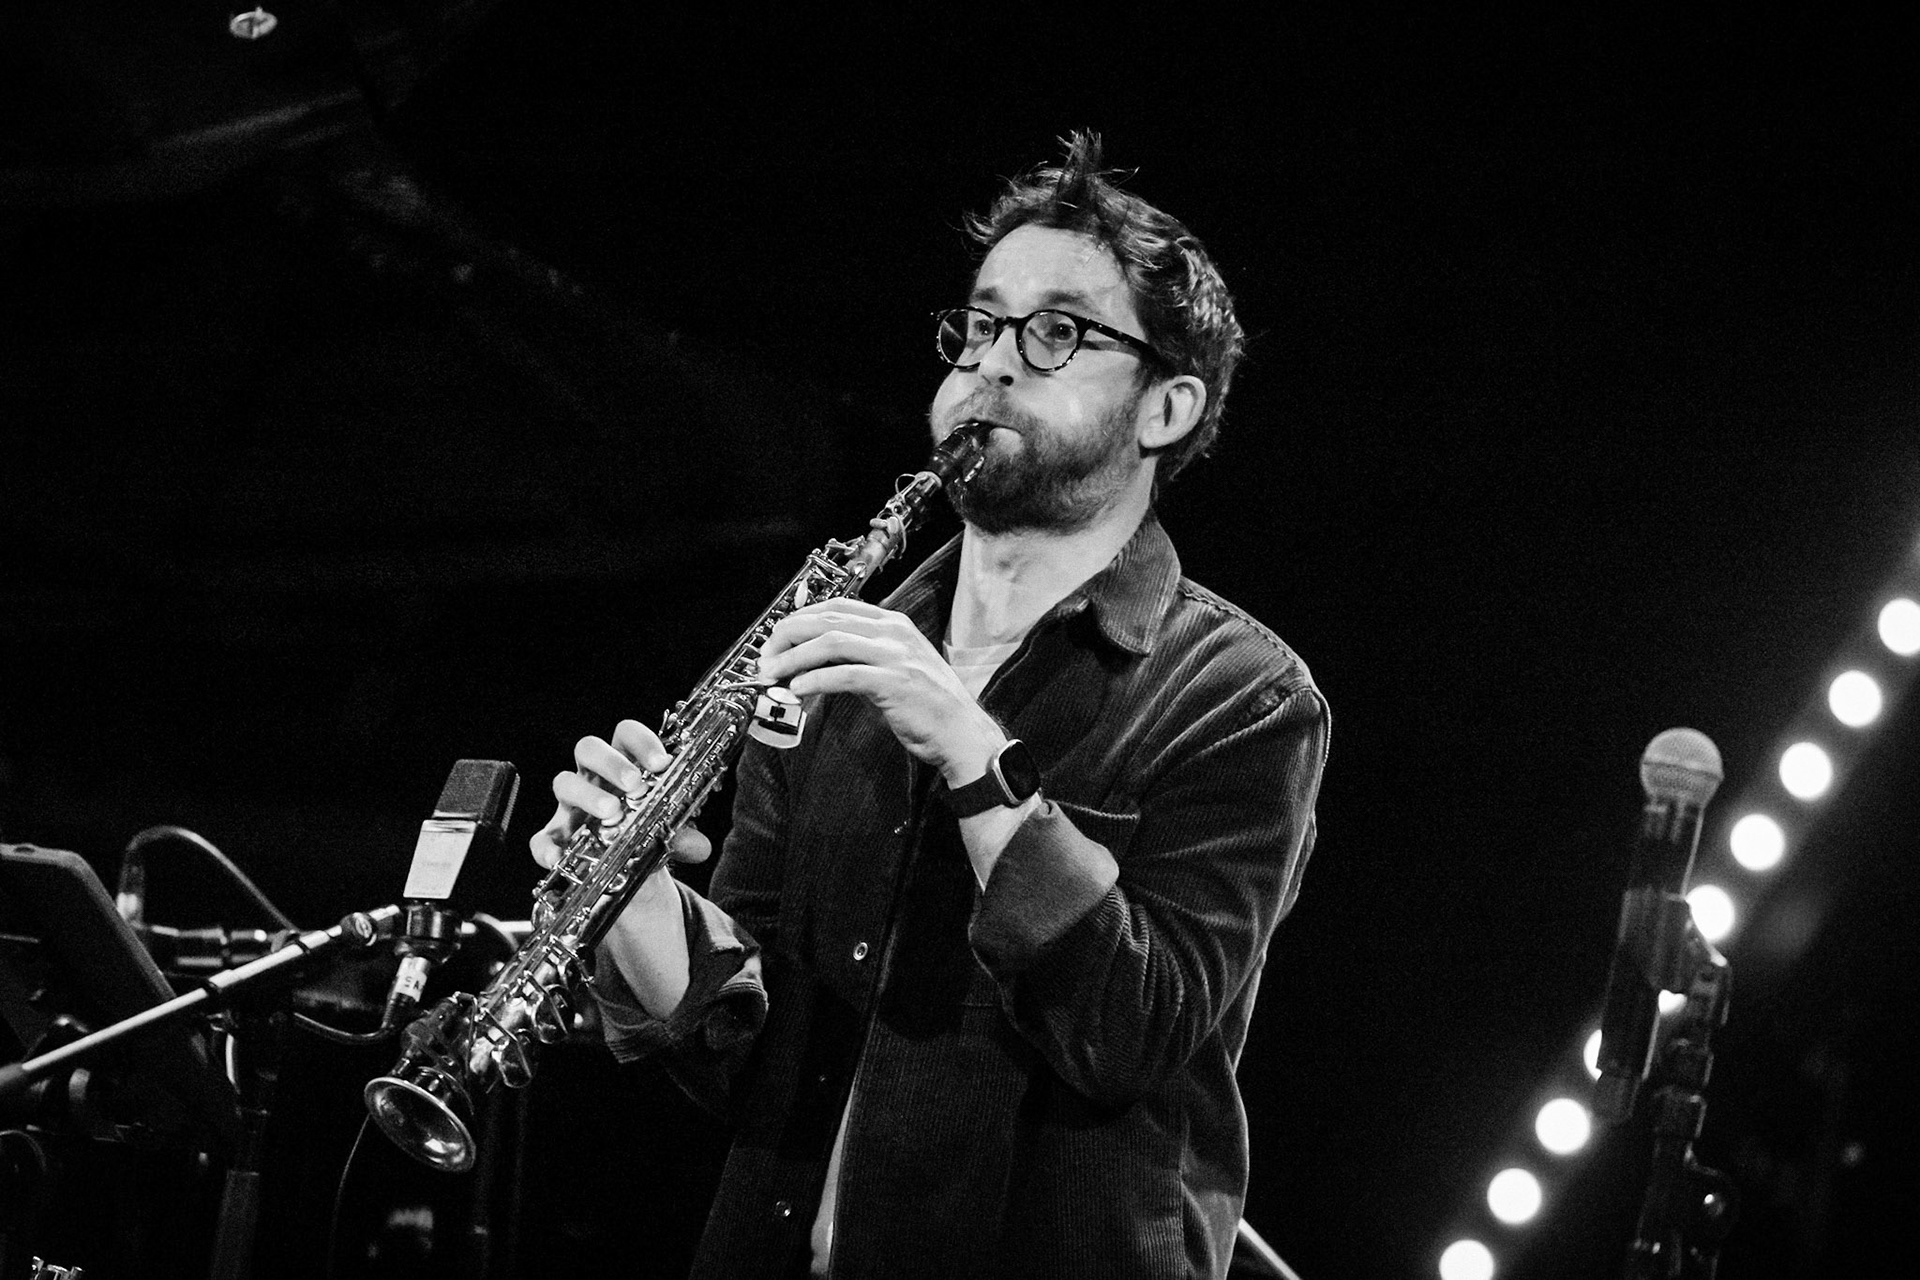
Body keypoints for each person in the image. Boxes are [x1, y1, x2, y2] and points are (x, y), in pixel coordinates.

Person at [533, 132, 1330, 1280]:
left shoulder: (1244, 696)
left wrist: (972, 747)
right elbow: (747, 1059)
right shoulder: (831, 650)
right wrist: (636, 898)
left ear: (1168, 407)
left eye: (1059, 330)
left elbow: (1131, 1029)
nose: (995, 363)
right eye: (982, 324)